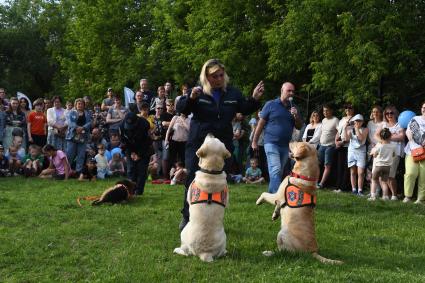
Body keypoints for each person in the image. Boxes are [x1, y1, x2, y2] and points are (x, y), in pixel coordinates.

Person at [177, 58, 263, 230]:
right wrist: (191, 98)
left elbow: (244, 108)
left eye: (221, 75)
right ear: (206, 77)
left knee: (219, 182)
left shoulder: (232, 93)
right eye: (214, 76)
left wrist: (254, 99)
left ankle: (215, 219)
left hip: (222, 145)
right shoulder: (198, 92)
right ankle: (187, 217)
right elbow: (182, 109)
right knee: (193, 180)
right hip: (199, 144)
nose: (218, 79)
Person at [252, 82, 302, 194]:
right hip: (271, 143)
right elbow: (260, 124)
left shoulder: (294, 108)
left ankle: (271, 194)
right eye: (289, 90)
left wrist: (296, 115)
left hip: (285, 145)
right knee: (276, 169)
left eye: (293, 91)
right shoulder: (270, 104)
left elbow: (299, 126)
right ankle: (277, 197)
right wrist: (254, 141)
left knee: (277, 172)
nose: (291, 93)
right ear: (282, 90)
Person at [375, 105, 405, 200]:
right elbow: (376, 135)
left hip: (395, 153)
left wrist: (386, 137)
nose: (389, 115)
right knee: (382, 174)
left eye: (391, 113)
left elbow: (401, 137)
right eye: (387, 113)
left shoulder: (400, 124)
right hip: (383, 152)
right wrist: (388, 138)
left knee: (391, 175)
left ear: (395, 114)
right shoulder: (383, 124)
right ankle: (386, 195)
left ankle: (394, 195)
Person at [120, 112, 151, 195]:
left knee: (141, 170)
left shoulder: (145, 124)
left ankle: (139, 191)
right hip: (130, 149)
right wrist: (131, 153)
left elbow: (147, 142)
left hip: (143, 148)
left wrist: (139, 155)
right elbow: (124, 141)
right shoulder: (122, 125)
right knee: (131, 169)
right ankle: (130, 190)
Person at [403, 101, 425, 204]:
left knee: (423, 176)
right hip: (412, 150)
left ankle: (420, 199)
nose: (424, 109)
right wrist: (412, 143)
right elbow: (408, 132)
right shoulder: (415, 119)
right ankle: (407, 197)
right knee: (410, 173)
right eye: (423, 107)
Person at [368, 128, 396, 201]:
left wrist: (373, 153)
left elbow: (374, 155)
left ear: (380, 137)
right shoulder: (393, 146)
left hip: (378, 166)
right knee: (384, 182)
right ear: (390, 137)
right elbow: (393, 155)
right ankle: (385, 196)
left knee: (374, 180)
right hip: (387, 167)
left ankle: (373, 196)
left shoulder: (379, 146)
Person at [65, 98, 92, 174]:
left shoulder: (88, 113)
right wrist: (77, 127)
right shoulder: (71, 112)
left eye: (81, 104)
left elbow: (90, 122)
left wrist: (83, 127)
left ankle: (78, 172)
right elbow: (69, 122)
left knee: (81, 155)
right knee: (70, 154)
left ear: (84, 105)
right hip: (72, 136)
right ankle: (67, 171)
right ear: (76, 105)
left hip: (83, 136)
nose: (80, 105)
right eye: (78, 104)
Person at [345, 114, 369, 195]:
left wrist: (356, 129)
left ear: (362, 122)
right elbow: (347, 139)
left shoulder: (365, 129)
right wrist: (345, 129)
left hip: (361, 152)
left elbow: (361, 138)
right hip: (352, 151)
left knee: (361, 172)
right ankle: (354, 189)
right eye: (356, 121)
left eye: (360, 121)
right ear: (353, 121)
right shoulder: (350, 129)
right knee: (352, 172)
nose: (358, 122)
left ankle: (360, 190)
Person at [317, 104, 339, 189]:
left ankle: (321, 184)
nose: (325, 112)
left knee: (327, 165)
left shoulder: (335, 120)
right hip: (321, 145)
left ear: (331, 111)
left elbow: (339, 131)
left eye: (327, 110)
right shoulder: (323, 120)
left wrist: (336, 141)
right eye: (324, 111)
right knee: (317, 164)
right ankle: (316, 182)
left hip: (330, 146)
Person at [334, 103, 355, 192]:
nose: (348, 109)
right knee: (340, 166)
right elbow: (339, 131)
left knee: (347, 167)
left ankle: (344, 187)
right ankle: (338, 186)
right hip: (340, 144)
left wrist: (343, 142)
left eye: (350, 108)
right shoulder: (342, 119)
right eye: (346, 108)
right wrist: (336, 141)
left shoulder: (355, 119)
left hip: (349, 145)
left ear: (353, 109)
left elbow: (353, 133)